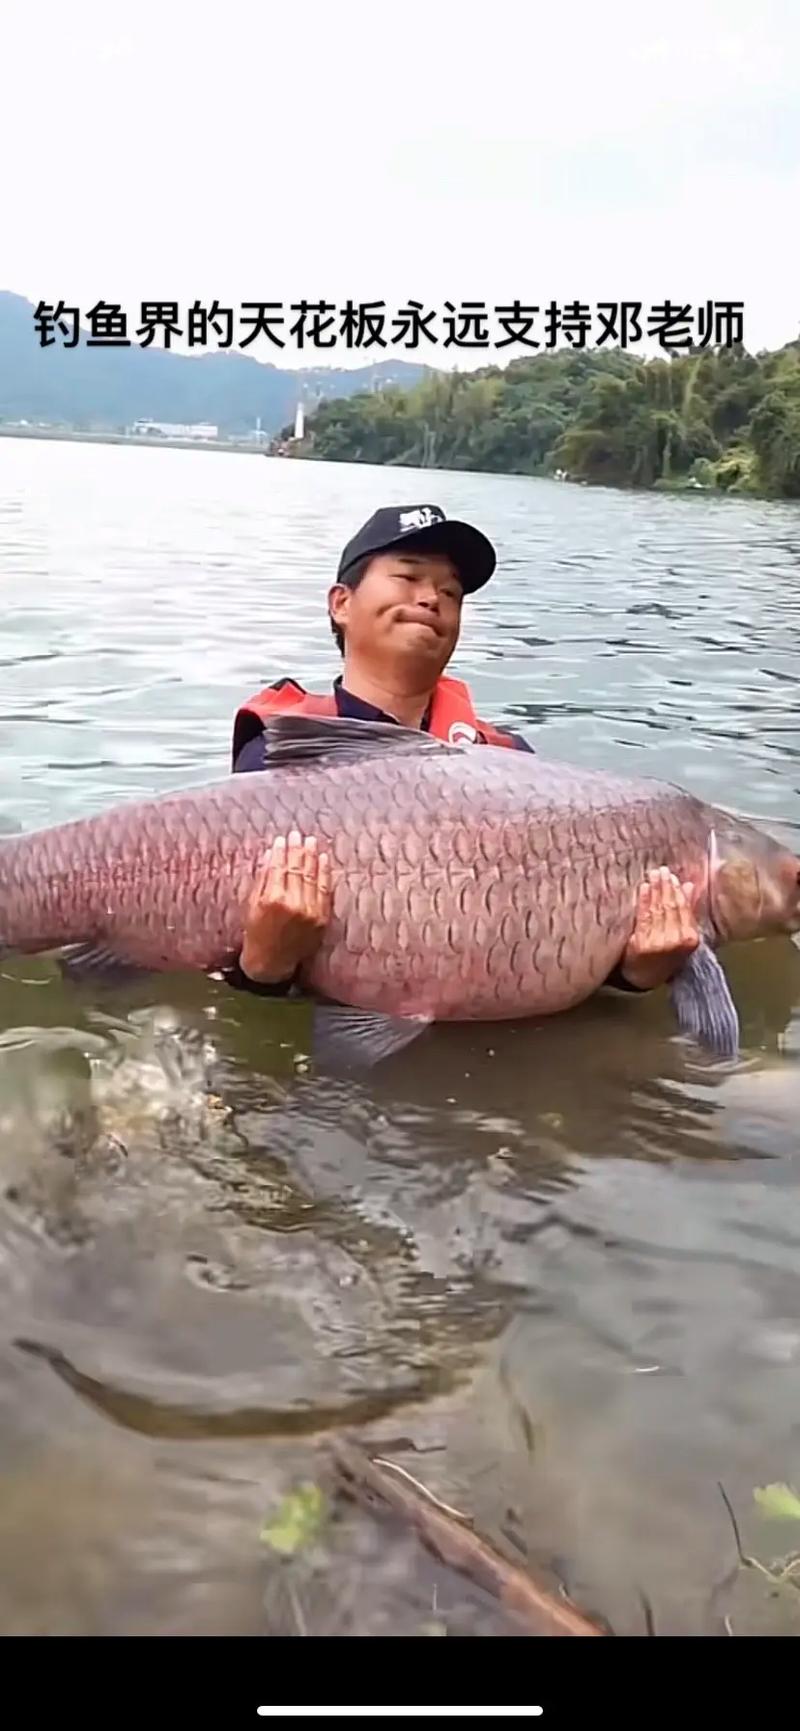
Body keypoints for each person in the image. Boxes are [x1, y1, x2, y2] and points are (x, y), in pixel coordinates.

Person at [226, 504, 701, 999]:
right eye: (408, 577)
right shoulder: (276, 756)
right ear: (341, 603)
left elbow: (551, 930)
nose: (430, 598)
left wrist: (632, 972)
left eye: (450, 592)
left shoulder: (512, 763)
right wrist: (263, 970)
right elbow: (227, 960)